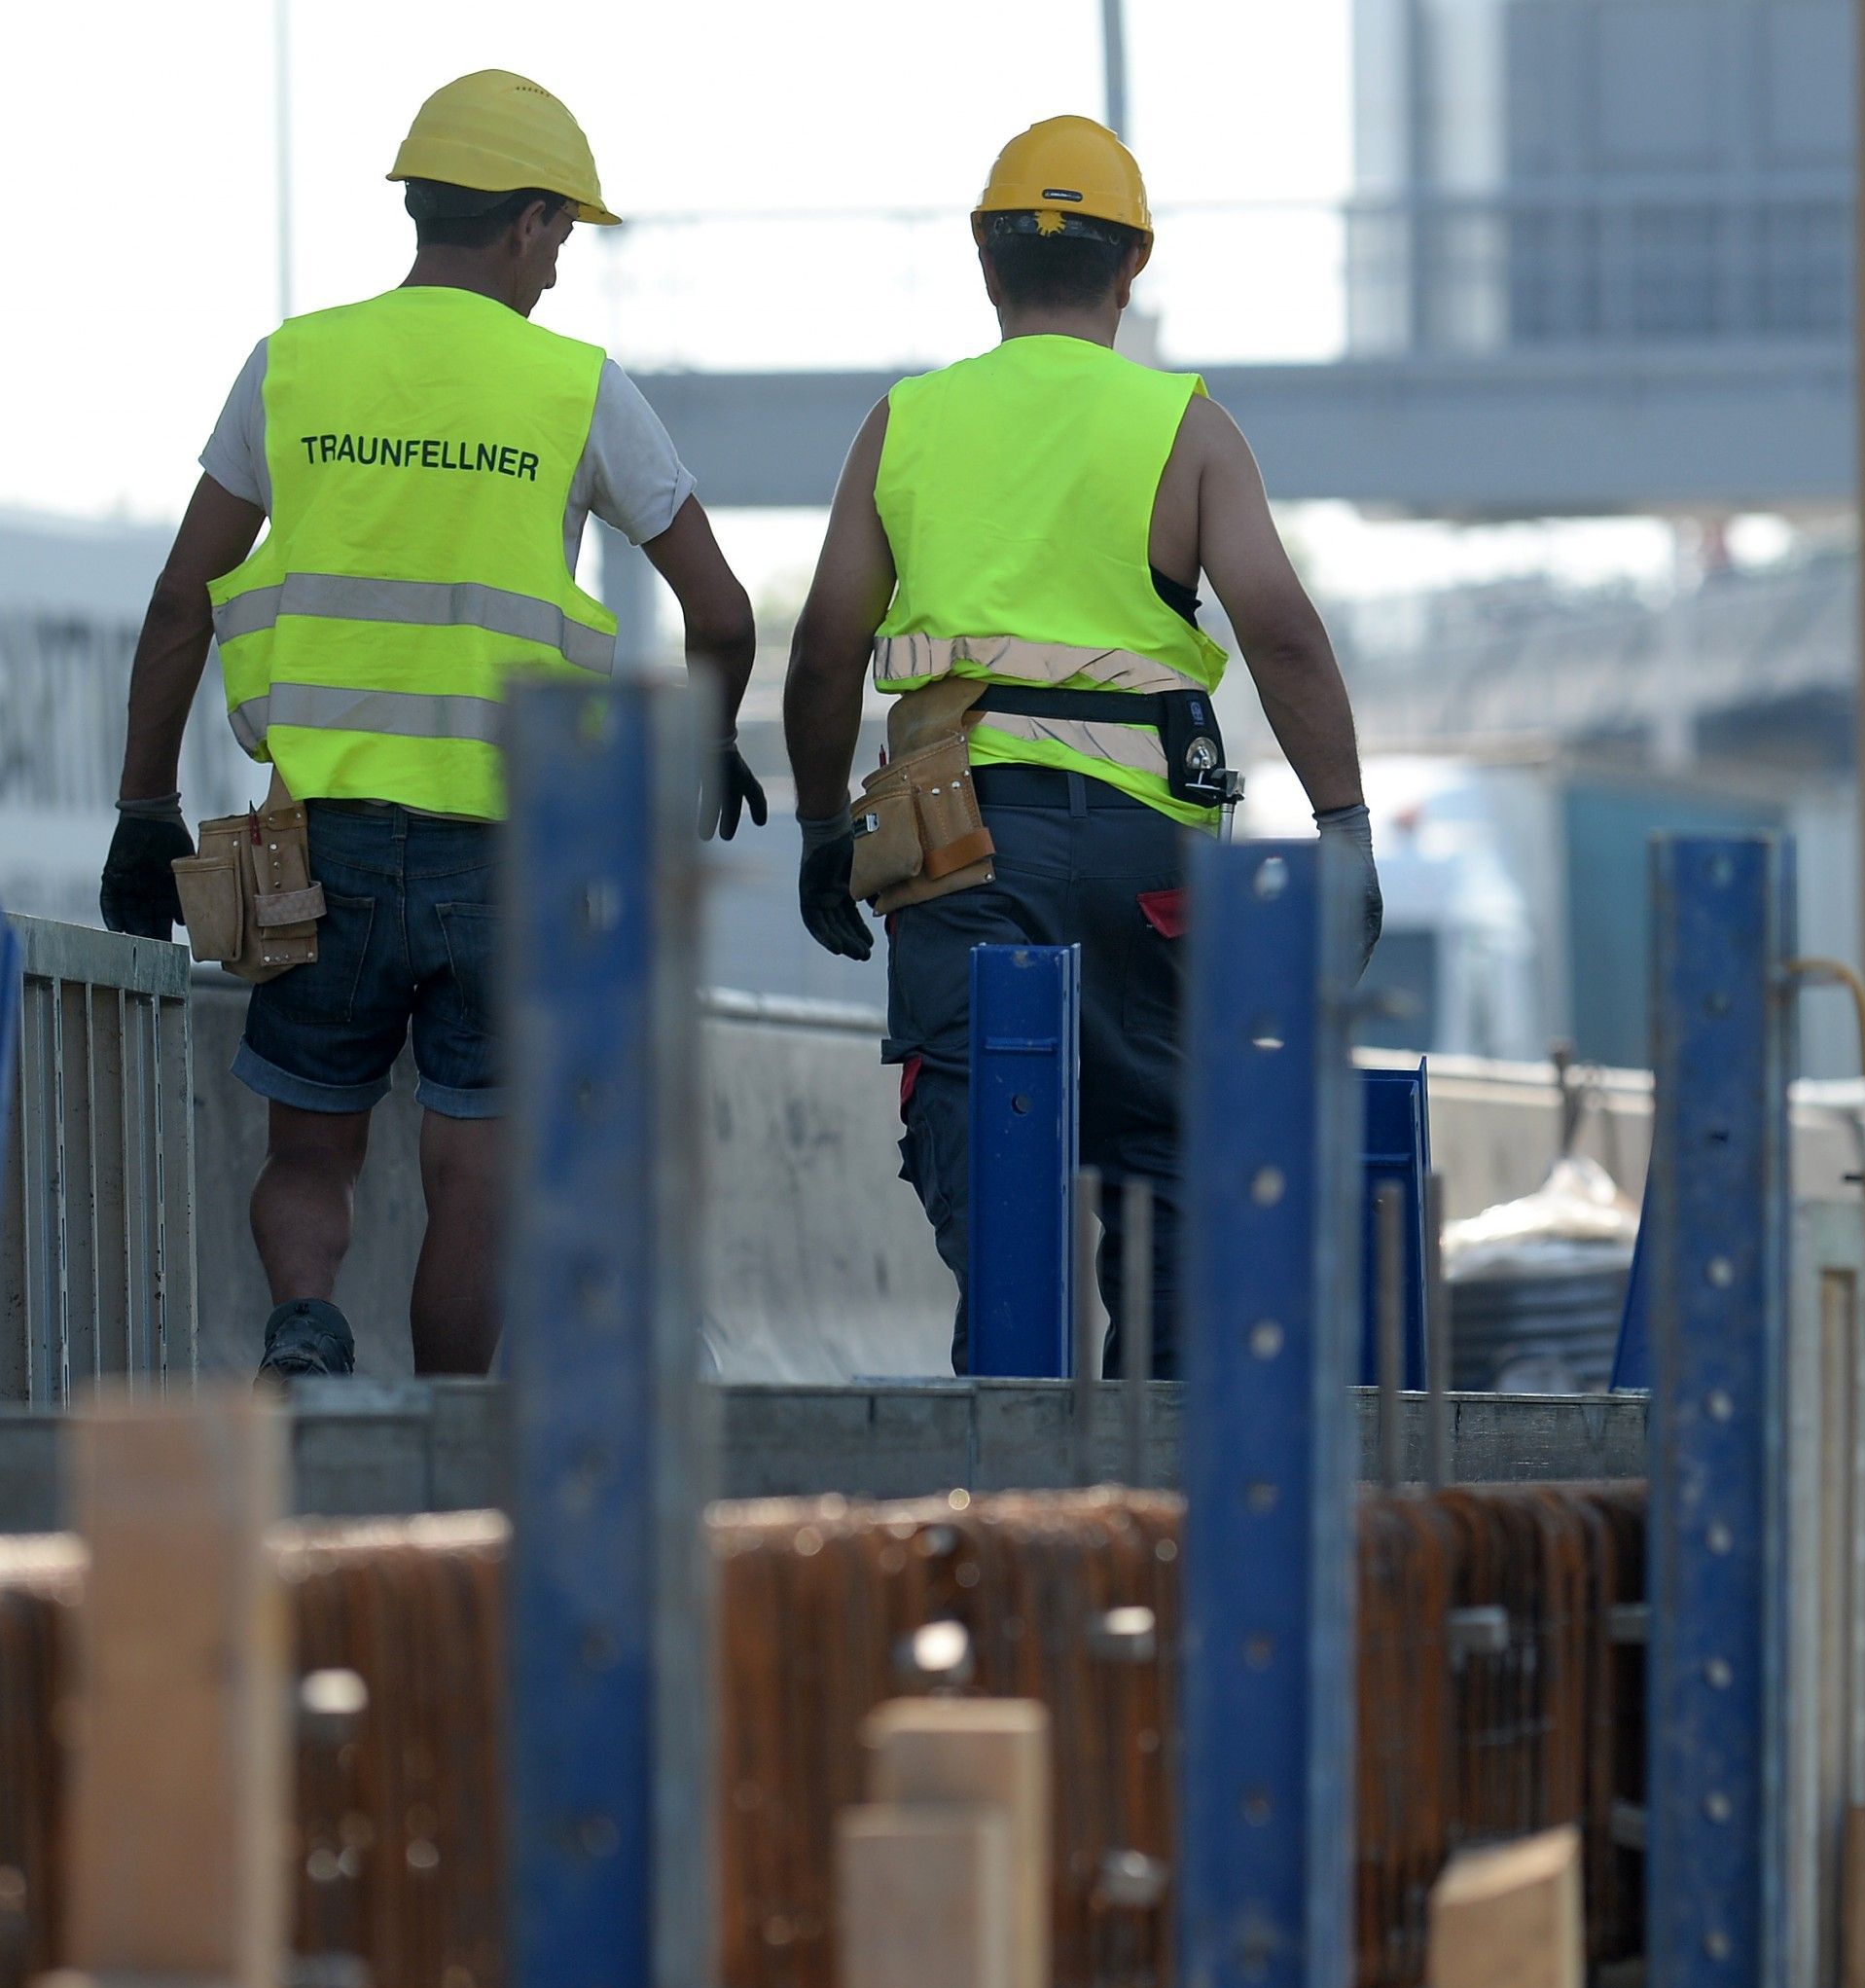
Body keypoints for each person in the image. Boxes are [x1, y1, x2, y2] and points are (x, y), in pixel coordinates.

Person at [101, 70, 764, 1381]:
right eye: (561, 238)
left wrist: (144, 809)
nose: (560, 273)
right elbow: (724, 609)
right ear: (523, 222)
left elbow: (183, 594)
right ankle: (447, 1430)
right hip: (507, 860)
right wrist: (711, 729)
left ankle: (305, 1319)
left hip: (315, 839)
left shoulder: (291, 364)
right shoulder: (577, 389)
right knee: (477, 1173)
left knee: (308, 1150)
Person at [782, 116, 1380, 1376]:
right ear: (1132, 268)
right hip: (1144, 857)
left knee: (980, 1126)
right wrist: (1344, 827)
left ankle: (1011, 1424)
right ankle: (1160, 1482)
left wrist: (825, 827)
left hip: (957, 841)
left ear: (986, 265)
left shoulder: (908, 424)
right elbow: (1280, 628)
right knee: (1167, 1153)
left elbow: (829, 648)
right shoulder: (1185, 427)